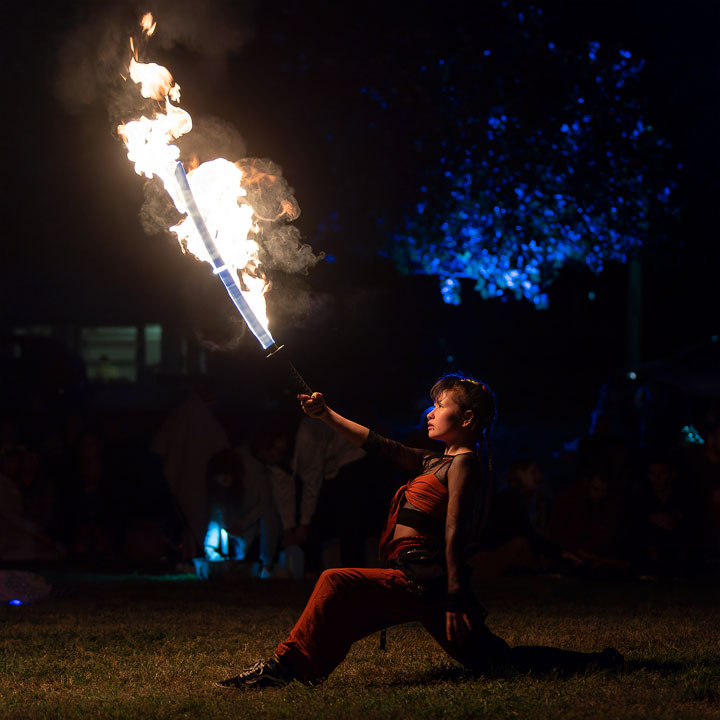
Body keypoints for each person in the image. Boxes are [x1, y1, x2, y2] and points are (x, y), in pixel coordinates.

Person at [218, 375, 622, 689]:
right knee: (496, 660)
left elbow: (454, 527)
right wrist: (326, 414)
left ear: (466, 420)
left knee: (334, 582)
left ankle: (280, 668)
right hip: (413, 578)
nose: (430, 412)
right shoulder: (433, 463)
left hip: (424, 580)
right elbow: (377, 444)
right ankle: (288, 670)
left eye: (440, 405)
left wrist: (453, 594)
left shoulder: (464, 464)